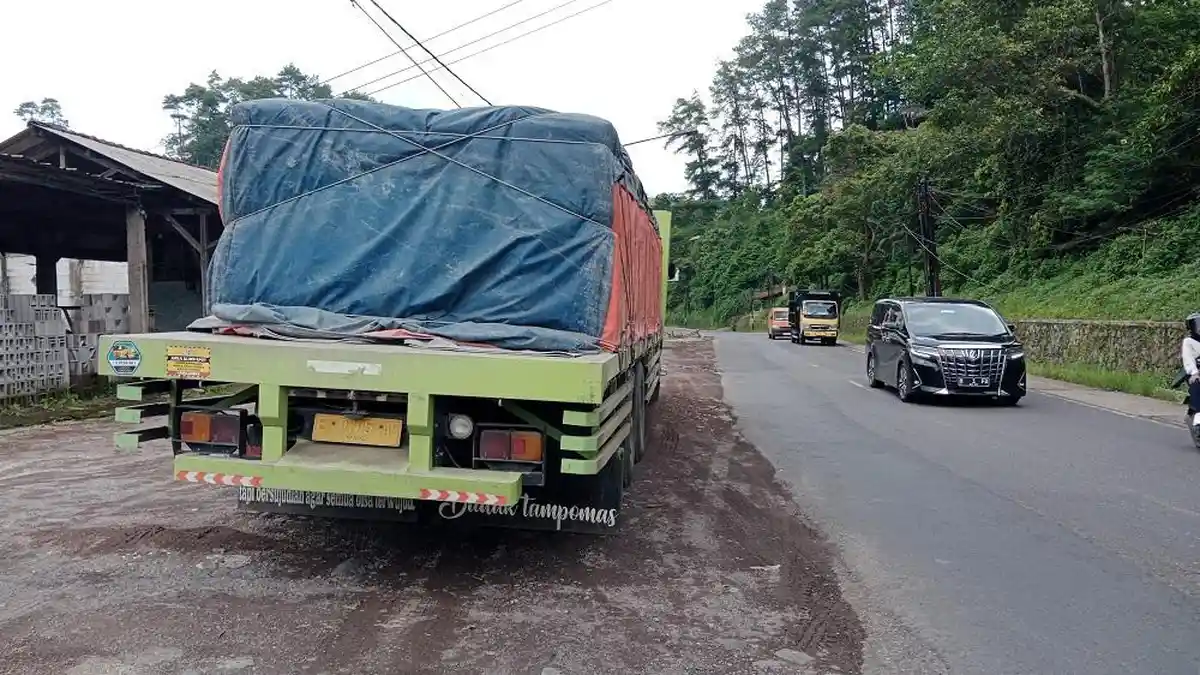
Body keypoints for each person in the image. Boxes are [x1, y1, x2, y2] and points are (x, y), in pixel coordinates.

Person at [1183, 313, 1200, 425]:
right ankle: (1198, 418)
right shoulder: (1188, 341)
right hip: (1196, 372)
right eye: (1197, 325)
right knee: (1197, 385)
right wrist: (1194, 373)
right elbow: (1188, 358)